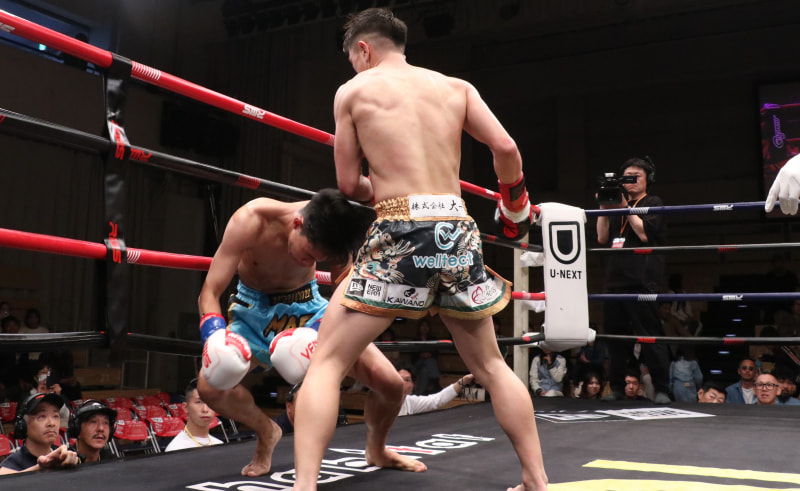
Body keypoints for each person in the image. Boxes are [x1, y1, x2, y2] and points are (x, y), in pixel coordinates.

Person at [292, 8, 548, 491]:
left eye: (352, 58)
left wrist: (385, 192)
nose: (353, 67)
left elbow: (348, 184)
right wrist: (515, 207)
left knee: (327, 362)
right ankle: (536, 480)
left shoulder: (354, 91)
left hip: (400, 226)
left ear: (363, 49)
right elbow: (507, 150)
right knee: (492, 365)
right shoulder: (457, 88)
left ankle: (304, 486)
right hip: (456, 227)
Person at [196, 190, 373, 476]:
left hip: (307, 308)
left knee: (387, 381)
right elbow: (209, 292)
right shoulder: (249, 221)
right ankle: (267, 431)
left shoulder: (329, 225)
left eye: (318, 260)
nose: (309, 264)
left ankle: (374, 449)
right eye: (309, 255)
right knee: (209, 387)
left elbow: (345, 294)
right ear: (297, 224)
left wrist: (316, 330)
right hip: (252, 312)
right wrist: (213, 336)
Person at [596, 157, 671, 404]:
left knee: (650, 336)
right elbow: (602, 237)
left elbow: (644, 234)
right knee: (615, 339)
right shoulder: (617, 206)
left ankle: (662, 389)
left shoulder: (653, 202)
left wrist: (625, 205)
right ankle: (617, 387)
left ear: (648, 179)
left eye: (635, 176)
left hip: (642, 280)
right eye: (626, 177)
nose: (630, 181)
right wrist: (604, 206)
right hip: (614, 281)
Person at [0, 392, 79, 474]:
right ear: (23, 425)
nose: (51, 423)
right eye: (42, 416)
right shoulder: (10, 466)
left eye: (55, 416)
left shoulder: (64, 456)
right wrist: (40, 468)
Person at [166, 378, 223, 452]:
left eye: (209, 402)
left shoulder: (219, 445)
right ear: (186, 407)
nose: (205, 409)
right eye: (199, 402)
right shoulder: (176, 449)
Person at [397, 367, 474, 416]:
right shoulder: (388, 402)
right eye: (398, 379)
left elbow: (436, 400)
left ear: (413, 385)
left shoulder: (410, 402)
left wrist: (463, 381)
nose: (402, 383)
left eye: (407, 380)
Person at [412, 319, 441, 395]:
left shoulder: (433, 339)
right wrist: (421, 355)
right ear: (419, 327)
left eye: (426, 326)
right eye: (422, 325)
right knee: (428, 361)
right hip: (417, 364)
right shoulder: (415, 340)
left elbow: (436, 352)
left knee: (424, 371)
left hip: (428, 365)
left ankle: (419, 393)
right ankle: (436, 381)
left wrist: (429, 355)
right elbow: (412, 356)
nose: (424, 328)